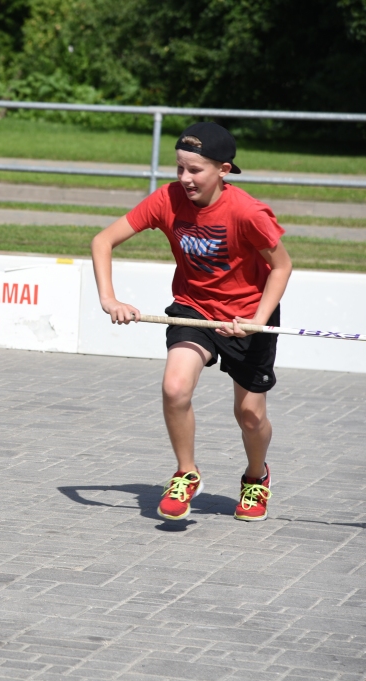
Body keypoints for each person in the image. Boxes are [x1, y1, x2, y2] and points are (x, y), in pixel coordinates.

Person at [91, 122, 292, 522]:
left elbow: (282, 267)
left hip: (247, 313)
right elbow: (103, 240)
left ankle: (256, 477)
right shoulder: (166, 199)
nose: (184, 178)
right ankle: (186, 472)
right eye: (179, 168)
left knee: (250, 416)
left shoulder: (248, 212)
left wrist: (255, 320)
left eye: (195, 170)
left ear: (224, 170)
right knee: (174, 388)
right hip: (193, 309)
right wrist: (108, 298)